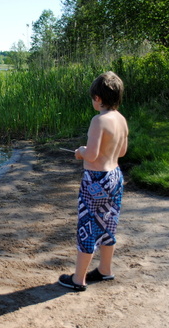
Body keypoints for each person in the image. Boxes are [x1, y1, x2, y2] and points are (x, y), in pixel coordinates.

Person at [58, 71, 129, 291]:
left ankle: (78, 279)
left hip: (96, 180)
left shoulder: (99, 120)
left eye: (93, 98)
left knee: (88, 226)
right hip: (115, 177)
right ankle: (105, 270)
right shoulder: (121, 119)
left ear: (98, 98)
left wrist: (80, 152)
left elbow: (92, 155)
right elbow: (123, 151)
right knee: (108, 224)